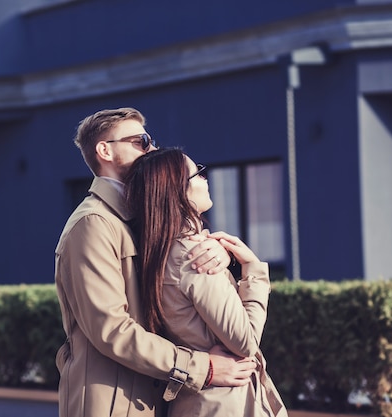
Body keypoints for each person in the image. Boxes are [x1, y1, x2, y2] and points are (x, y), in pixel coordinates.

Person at [54, 108, 259, 417]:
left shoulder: (138, 218)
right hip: (114, 404)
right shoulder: (93, 223)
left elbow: (176, 274)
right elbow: (111, 329)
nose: (151, 148)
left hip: (154, 397)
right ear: (104, 150)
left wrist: (219, 251)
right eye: (141, 141)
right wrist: (203, 368)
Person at [123, 147, 287, 417]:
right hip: (225, 403)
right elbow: (245, 342)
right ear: (178, 190)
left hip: (200, 400)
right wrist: (253, 270)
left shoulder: (161, 251)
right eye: (197, 174)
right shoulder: (193, 256)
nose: (205, 178)